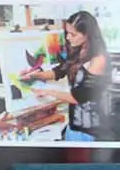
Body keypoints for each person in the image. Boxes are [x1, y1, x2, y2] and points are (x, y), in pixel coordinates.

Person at [20, 11, 113, 141]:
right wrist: (34, 75)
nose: (68, 38)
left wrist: (48, 92)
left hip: (90, 130)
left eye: (73, 34)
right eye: (67, 33)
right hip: (74, 124)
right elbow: (59, 71)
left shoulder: (98, 60)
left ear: (87, 35)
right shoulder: (78, 50)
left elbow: (78, 98)